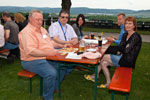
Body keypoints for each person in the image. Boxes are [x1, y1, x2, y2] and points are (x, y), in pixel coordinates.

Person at [18, 9, 66, 100]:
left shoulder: (42, 29)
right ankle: (47, 97)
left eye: (41, 19)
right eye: (37, 19)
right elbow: (31, 51)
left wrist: (63, 45)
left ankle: (54, 88)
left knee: (63, 66)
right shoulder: (26, 32)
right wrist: (49, 53)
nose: (40, 22)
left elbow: (50, 43)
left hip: (46, 57)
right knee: (51, 73)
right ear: (30, 19)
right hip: (31, 60)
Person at [84, 16, 142, 88]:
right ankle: (108, 83)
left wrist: (123, 48)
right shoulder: (125, 34)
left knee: (103, 57)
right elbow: (121, 47)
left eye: (130, 23)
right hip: (122, 56)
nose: (127, 25)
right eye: (126, 23)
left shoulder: (136, 36)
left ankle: (95, 75)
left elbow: (126, 50)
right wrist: (124, 47)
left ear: (134, 26)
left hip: (128, 61)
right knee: (103, 63)